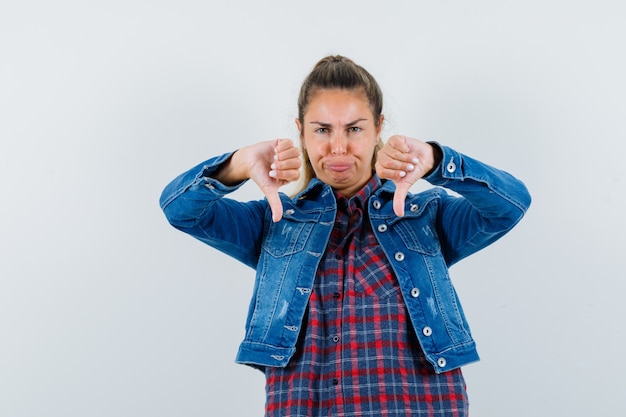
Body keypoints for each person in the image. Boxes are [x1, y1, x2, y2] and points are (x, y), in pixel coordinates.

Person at [160, 55, 531, 416]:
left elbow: (511, 205)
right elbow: (180, 210)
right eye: (322, 129)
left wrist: (437, 160)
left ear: (378, 127)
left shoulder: (425, 215)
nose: (338, 147)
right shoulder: (275, 221)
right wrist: (236, 165)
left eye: (354, 128)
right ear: (301, 131)